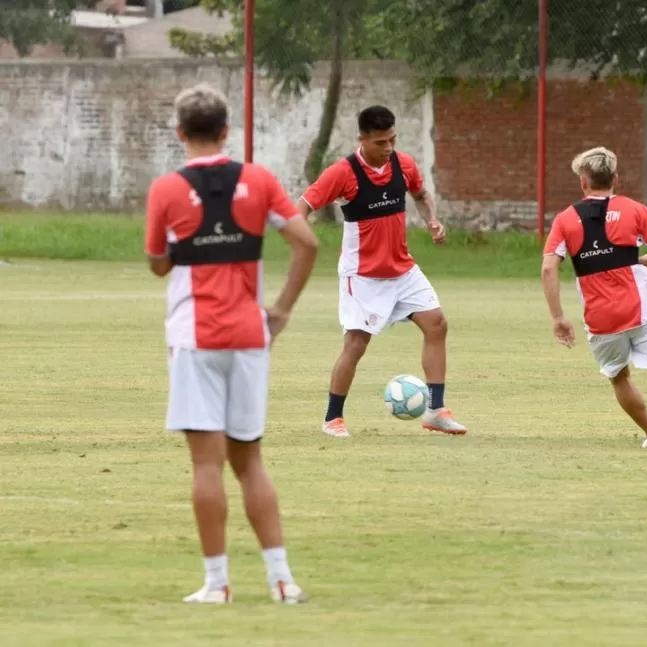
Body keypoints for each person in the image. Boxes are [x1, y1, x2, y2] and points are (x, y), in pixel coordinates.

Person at [145, 83, 318, 604]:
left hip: (194, 338)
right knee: (251, 462)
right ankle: (282, 581)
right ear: (226, 131)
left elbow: (157, 264)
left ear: (180, 133)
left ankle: (217, 585)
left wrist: (184, 246)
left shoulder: (167, 189)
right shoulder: (259, 179)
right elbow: (306, 243)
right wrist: (282, 308)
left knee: (206, 465)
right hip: (249, 337)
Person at [299, 105, 467, 438]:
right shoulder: (342, 173)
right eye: (380, 142)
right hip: (362, 275)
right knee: (356, 344)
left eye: (392, 140)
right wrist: (299, 238)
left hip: (402, 269)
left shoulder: (403, 164)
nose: (388, 148)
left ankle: (435, 411)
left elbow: (420, 194)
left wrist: (431, 219)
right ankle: (333, 419)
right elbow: (302, 206)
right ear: (362, 139)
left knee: (437, 324)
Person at [540, 147, 647, 448]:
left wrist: (558, 318)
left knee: (619, 378)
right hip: (645, 310)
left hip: (602, 318)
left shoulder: (566, 219)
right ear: (616, 179)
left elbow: (549, 268)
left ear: (584, 182)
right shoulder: (636, 210)